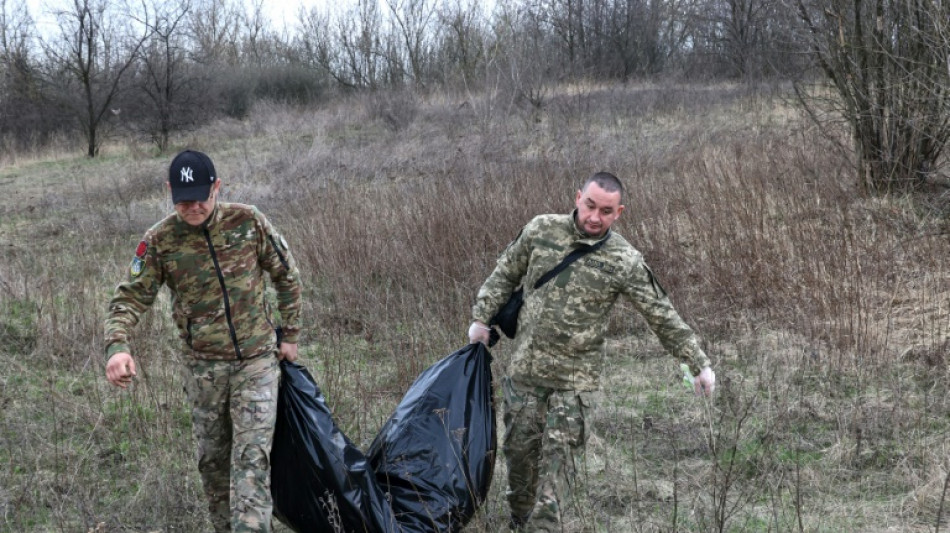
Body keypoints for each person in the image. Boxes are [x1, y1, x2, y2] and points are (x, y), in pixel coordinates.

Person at [467, 171, 715, 532]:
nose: (595, 217)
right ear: (577, 198)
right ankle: (519, 520)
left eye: (606, 211)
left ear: (619, 212)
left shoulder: (624, 259)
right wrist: (481, 318)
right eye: (590, 206)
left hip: (576, 382)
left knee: (556, 474)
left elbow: (661, 314)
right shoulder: (541, 230)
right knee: (520, 463)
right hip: (526, 373)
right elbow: (504, 274)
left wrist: (698, 363)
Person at [103, 149, 302, 532]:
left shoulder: (248, 222)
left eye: (201, 198)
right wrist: (118, 346)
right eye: (183, 201)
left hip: (256, 363)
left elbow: (286, 275)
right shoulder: (160, 240)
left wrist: (290, 334)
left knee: (251, 461)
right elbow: (129, 297)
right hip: (203, 371)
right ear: (169, 191)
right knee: (214, 463)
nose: (193, 208)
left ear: (217, 187)